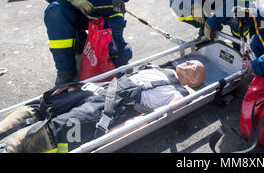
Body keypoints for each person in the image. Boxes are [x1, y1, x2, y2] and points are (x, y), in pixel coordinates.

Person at [0, 60, 206, 153]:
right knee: (46, 103)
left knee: (55, 130)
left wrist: (116, 133)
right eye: (190, 61)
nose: (188, 63)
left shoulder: (178, 94)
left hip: (109, 108)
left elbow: (157, 117)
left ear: (194, 82)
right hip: (98, 90)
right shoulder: (158, 67)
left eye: (194, 67)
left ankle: (9, 147)